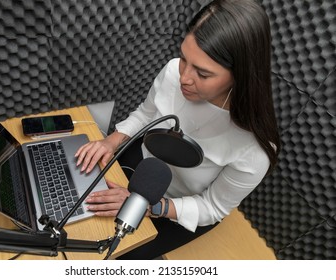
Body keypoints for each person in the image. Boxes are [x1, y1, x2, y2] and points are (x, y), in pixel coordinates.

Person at [75, 0, 280, 259]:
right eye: (184, 57)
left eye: (203, 74)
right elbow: (146, 114)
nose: (184, 77)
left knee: (110, 256)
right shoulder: (173, 71)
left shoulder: (255, 148)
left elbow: (212, 207)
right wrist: (110, 142)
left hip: (176, 208)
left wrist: (147, 207)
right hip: (144, 167)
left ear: (241, 74)